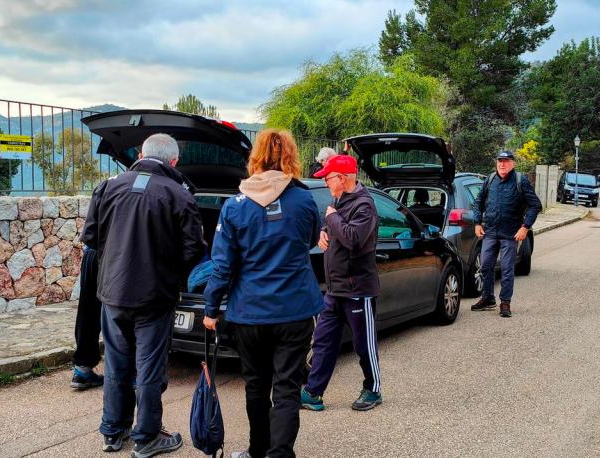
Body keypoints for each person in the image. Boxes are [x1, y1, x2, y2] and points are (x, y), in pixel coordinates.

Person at [81, 133, 205, 457]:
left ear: (139, 153)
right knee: (149, 367)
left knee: (117, 364)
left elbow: (91, 238)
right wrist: (169, 272)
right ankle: (147, 436)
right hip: (154, 297)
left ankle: (112, 431)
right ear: (174, 161)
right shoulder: (179, 195)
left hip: (112, 294)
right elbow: (194, 249)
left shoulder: (108, 186)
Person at [202, 129, 323, 458]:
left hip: (249, 312)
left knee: (256, 385)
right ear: (290, 156)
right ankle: (279, 453)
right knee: (287, 387)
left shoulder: (234, 205)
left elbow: (222, 265)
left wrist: (211, 310)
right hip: (295, 309)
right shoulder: (304, 199)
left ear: (256, 157)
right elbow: (311, 240)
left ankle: (257, 451)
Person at [300, 154, 383, 413]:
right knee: (323, 340)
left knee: (363, 344)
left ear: (343, 177)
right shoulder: (338, 202)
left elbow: (353, 239)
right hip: (335, 289)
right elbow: (334, 230)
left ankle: (373, 389)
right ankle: (313, 392)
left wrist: (332, 219)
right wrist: (323, 233)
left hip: (358, 289)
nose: (325, 182)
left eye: (328, 177)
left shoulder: (364, 205)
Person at [471, 150, 543, 318]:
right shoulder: (489, 180)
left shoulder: (520, 181)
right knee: (485, 266)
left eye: (506, 161)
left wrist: (525, 227)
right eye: (500, 161)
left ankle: (505, 303)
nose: (502, 164)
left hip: (510, 234)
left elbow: (535, 205)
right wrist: (476, 222)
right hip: (490, 232)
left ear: (513, 164)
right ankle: (488, 298)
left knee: (506, 269)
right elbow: (478, 202)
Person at [69, 244, 103, 390]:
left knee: (88, 310)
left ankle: (82, 369)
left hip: (92, 251)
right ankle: (131, 373)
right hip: (116, 251)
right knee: (124, 310)